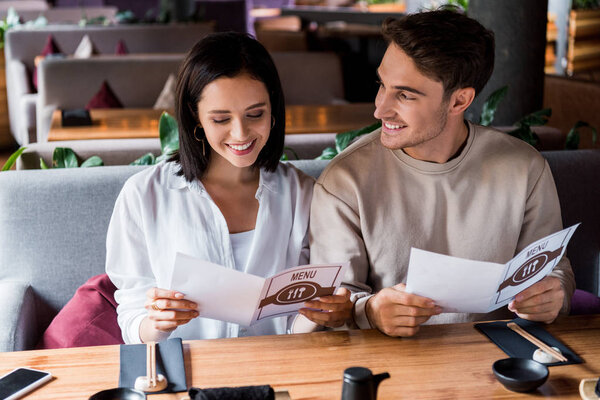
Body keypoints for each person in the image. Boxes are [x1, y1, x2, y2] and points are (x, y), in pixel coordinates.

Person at [308, 9, 575, 337]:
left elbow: (553, 269)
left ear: (459, 100)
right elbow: (336, 302)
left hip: (499, 358)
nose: (380, 108)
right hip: (393, 361)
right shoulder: (344, 180)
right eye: (383, 85)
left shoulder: (526, 168)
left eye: (404, 95)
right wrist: (371, 311)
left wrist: (553, 295)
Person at [105, 32, 346, 344]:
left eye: (255, 114)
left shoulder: (303, 194)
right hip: (189, 375)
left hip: (279, 373)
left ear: (273, 107)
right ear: (196, 116)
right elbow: (133, 318)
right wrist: (158, 323)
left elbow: (294, 327)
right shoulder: (143, 195)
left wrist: (319, 316)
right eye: (220, 119)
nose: (241, 133)